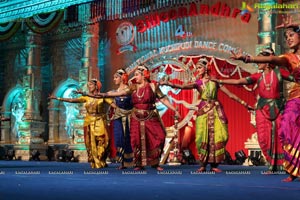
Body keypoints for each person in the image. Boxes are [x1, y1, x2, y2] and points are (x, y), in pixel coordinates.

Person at [230, 16, 300, 182]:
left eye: (292, 35)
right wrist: (248, 58)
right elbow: (270, 59)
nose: (288, 38)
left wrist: (295, 24)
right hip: (297, 97)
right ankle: (293, 170)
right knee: (287, 128)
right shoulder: (288, 58)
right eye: (286, 36)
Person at [160, 58, 252, 172]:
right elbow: (183, 87)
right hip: (203, 112)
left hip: (216, 111)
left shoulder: (215, 81)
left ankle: (214, 165)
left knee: (221, 135)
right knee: (201, 137)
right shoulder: (198, 83)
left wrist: (245, 103)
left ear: (206, 68)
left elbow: (230, 95)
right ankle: (203, 165)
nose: (197, 70)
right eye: (197, 68)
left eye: (199, 68)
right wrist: (169, 83)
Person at [214, 48, 295, 173]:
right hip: (262, 109)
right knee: (264, 138)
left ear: (267, 61)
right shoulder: (258, 76)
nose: (258, 63)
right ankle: (271, 165)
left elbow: (296, 78)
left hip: (278, 108)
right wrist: (220, 80)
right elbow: (238, 81)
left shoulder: (279, 73)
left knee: (281, 137)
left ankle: (283, 165)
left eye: (260, 60)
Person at [87, 65, 180, 171]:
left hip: (150, 116)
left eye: (137, 75)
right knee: (136, 141)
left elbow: (163, 100)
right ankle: (138, 164)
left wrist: (174, 109)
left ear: (144, 75)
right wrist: (102, 95)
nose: (135, 77)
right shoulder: (133, 87)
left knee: (159, 137)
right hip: (136, 117)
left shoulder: (153, 86)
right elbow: (120, 93)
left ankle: (155, 163)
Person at [49, 79, 112, 169]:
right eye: (88, 85)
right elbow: (72, 100)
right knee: (91, 142)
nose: (89, 87)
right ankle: (95, 162)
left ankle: (102, 159)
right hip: (89, 121)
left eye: (91, 85)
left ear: (96, 86)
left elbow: (114, 105)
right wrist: (58, 98)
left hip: (100, 120)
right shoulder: (86, 97)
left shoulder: (102, 96)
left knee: (105, 141)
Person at [108, 69, 133, 169]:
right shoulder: (114, 92)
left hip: (129, 118)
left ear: (122, 78)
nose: (114, 79)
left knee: (129, 139)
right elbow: (105, 97)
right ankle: (122, 162)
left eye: (116, 77)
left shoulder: (129, 90)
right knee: (119, 139)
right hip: (118, 118)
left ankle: (131, 162)